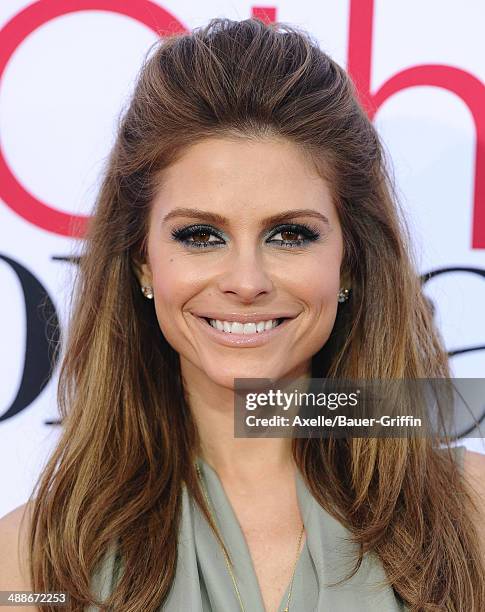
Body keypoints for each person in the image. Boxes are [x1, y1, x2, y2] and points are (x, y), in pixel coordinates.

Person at [1, 16, 484, 612]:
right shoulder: (34, 560)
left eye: (290, 234)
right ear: (143, 262)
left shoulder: (469, 517)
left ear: (351, 263)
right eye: (201, 235)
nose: (247, 282)